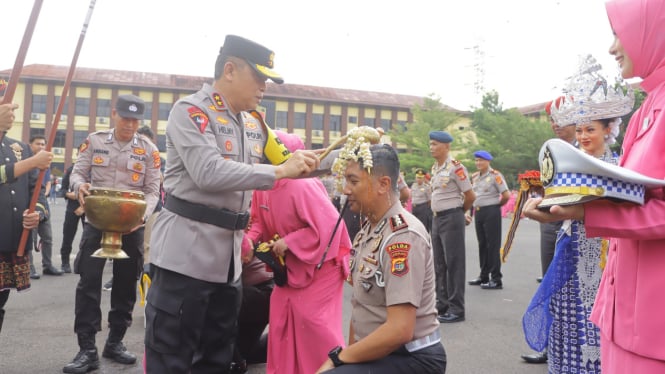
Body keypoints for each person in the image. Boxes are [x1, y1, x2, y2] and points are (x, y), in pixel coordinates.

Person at [145, 35, 322, 373]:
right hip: (186, 261)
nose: (264, 87)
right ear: (229, 70)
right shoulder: (192, 112)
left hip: (228, 267)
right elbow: (208, 172)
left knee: (217, 359)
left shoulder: (254, 122)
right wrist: (283, 169)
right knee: (172, 359)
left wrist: (347, 154)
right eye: (259, 77)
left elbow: (290, 165)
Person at [525, 1, 665, 371]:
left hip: (652, 321)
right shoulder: (651, 104)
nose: (612, 47)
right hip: (619, 306)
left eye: (619, 33)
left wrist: (585, 210)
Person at [523, 54, 634, 373]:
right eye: (581, 129)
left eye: (591, 130)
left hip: (606, 263)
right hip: (570, 256)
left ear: (610, 129)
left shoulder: (619, 169)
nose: (584, 137)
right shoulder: (570, 165)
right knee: (567, 324)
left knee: (598, 332)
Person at [316, 144, 446, 374]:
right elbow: (361, 309)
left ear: (383, 184)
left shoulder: (402, 237)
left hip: (413, 358)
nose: (346, 190)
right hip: (381, 353)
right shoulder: (370, 229)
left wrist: (339, 358)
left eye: (353, 181)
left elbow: (400, 330)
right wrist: (348, 357)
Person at [63, 94, 161, 373]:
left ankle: (115, 342)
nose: (129, 124)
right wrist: (80, 186)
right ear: (114, 114)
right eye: (125, 118)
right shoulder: (94, 141)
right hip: (96, 223)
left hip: (131, 227)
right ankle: (86, 349)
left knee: (126, 285)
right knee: (88, 284)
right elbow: (78, 173)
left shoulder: (148, 150)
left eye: (135, 120)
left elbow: (153, 190)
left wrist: (141, 216)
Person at [243, 130, 351, 374]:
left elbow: (330, 228)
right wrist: (249, 241)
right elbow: (259, 219)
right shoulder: (264, 183)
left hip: (323, 266)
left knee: (313, 322)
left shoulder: (303, 186)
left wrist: (290, 241)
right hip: (291, 267)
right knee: (281, 317)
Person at [520, 96, 577, 365]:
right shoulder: (551, 151)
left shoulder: (586, 149)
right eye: (552, 119)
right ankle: (550, 346)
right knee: (549, 283)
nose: (555, 124)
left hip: (579, 223)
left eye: (561, 118)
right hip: (551, 221)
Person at [0, 99, 52, 334]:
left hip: (8, 240)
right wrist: (33, 161)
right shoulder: (29, 156)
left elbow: (36, 190)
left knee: (0, 303)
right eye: (5, 107)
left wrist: (37, 213)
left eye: (13, 108)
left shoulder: (18, 148)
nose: (11, 113)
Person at [428, 130, 475, 323]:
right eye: (430, 144)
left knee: (454, 264)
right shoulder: (435, 168)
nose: (431, 147)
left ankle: (457, 309)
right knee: (439, 264)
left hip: (451, 217)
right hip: (437, 219)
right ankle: (442, 304)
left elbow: (471, 196)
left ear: (446, 146)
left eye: (435, 144)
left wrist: (458, 212)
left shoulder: (456, 167)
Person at [468, 150, 509, 290]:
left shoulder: (495, 176)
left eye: (481, 160)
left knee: (492, 245)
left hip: (491, 211)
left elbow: (506, 195)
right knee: (482, 245)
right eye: (477, 160)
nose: (478, 163)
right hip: (479, 212)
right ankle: (483, 275)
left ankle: (496, 278)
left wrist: (497, 206)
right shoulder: (475, 176)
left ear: (488, 161)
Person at [28, 135, 63, 277]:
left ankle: (47, 266)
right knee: (30, 239)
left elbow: (47, 183)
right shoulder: (27, 161)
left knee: (47, 237)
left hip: (43, 203)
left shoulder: (46, 163)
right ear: (30, 145)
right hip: (29, 204)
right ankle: (29, 268)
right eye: (38, 144)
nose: (41, 146)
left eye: (43, 144)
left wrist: (44, 195)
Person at [59, 162, 86, 274]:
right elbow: (63, 189)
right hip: (72, 207)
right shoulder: (71, 169)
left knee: (88, 238)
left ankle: (82, 262)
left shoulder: (95, 170)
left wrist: (84, 206)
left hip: (89, 207)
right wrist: (69, 194)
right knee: (68, 235)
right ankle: (65, 262)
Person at [410, 168, 432, 232]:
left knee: (423, 226)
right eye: (417, 177)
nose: (418, 179)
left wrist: (426, 209)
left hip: (423, 208)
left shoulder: (426, 187)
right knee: (415, 226)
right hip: (414, 208)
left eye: (420, 178)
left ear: (423, 178)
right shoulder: (413, 186)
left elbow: (429, 200)